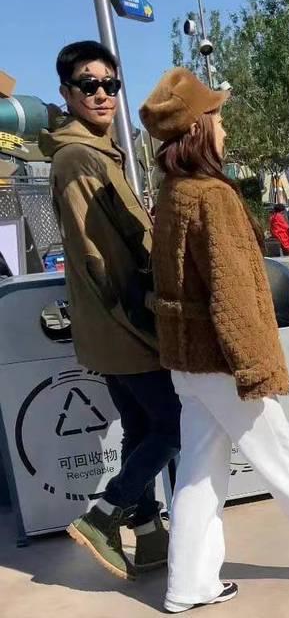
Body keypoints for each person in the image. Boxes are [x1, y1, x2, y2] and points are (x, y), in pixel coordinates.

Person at [141, 68, 289, 612]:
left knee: (199, 473)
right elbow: (234, 294)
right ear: (198, 129)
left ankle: (189, 584)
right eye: (217, 117)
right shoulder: (212, 196)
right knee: (283, 458)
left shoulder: (173, 192)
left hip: (187, 359)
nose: (224, 128)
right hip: (224, 361)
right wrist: (255, 367)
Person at [39, 41, 180, 580]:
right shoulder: (78, 159)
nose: (101, 94)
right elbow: (97, 255)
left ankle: (148, 536)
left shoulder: (99, 152)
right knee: (177, 423)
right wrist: (143, 318)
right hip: (123, 323)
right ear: (66, 92)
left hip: (114, 325)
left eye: (110, 85)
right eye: (88, 84)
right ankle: (105, 514)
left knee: (141, 427)